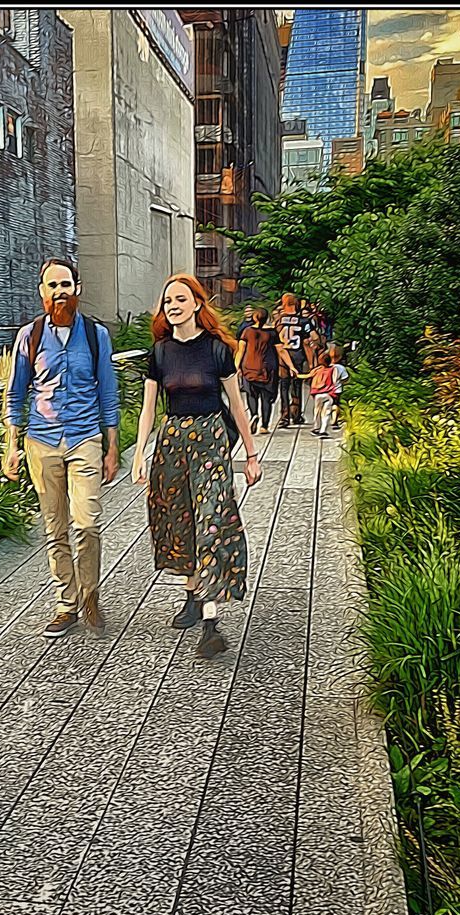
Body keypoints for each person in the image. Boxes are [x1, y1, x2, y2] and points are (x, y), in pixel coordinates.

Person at [132, 274, 262, 659]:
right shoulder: (159, 353)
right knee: (179, 518)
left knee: (212, 518)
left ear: (196, 305)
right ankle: (192, 594)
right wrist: (139, 453)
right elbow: (148, 409)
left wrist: (251, 455)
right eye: (167, 300)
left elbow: (237, 406)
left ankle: (210, 619)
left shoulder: (218, 350)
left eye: (180, 299)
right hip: (172, 443)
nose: (172, 306)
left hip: (210, 440)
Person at [4, 258, 121, 638]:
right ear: (42, 291)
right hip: (42, 440)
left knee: (87, 524)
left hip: (85, 438)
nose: (59, 292)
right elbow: (15, 394)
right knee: (55, 529)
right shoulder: (30, 336)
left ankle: (90, 595)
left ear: (77, 288)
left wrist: (112, 447)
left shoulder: (95, 335)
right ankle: (66, 603)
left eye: (65, 284)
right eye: (52, 285)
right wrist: (12, 446)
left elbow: (108, 391)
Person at [237, 306, 278, 434]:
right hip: (267, 368)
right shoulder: (272, 333)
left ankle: (254, 415)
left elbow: (240, 350)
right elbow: (281, 350)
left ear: (254, 317)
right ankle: (264, 426)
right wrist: (292, 366)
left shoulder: (247, 331)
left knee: (251, 394)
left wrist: (236, 366)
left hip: (249, 367)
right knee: (266, 398)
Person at [274, 293, 309, 427]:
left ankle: (284, 415)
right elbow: (310, 339)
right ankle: (296, 413)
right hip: (297, 354)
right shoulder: (303, 321)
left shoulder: (278, 321)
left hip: (283, 356)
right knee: (296, 385)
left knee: (284, 386)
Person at [303, 351, 337, 437]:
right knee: (327, 412)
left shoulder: (317, 369)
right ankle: (323, 430)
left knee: (317, 411)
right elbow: (335, 380)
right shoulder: (333, 369)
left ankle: (316, 427)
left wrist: (297, 375)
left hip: (318, 394)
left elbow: (307, 376)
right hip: (329, 394)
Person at [328, 342, 350, 430]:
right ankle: (334, 420)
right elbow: (346, 378)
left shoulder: (327, 367)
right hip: (337, 389)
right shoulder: (341, 368)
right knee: (335, 404)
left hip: (327, 390)